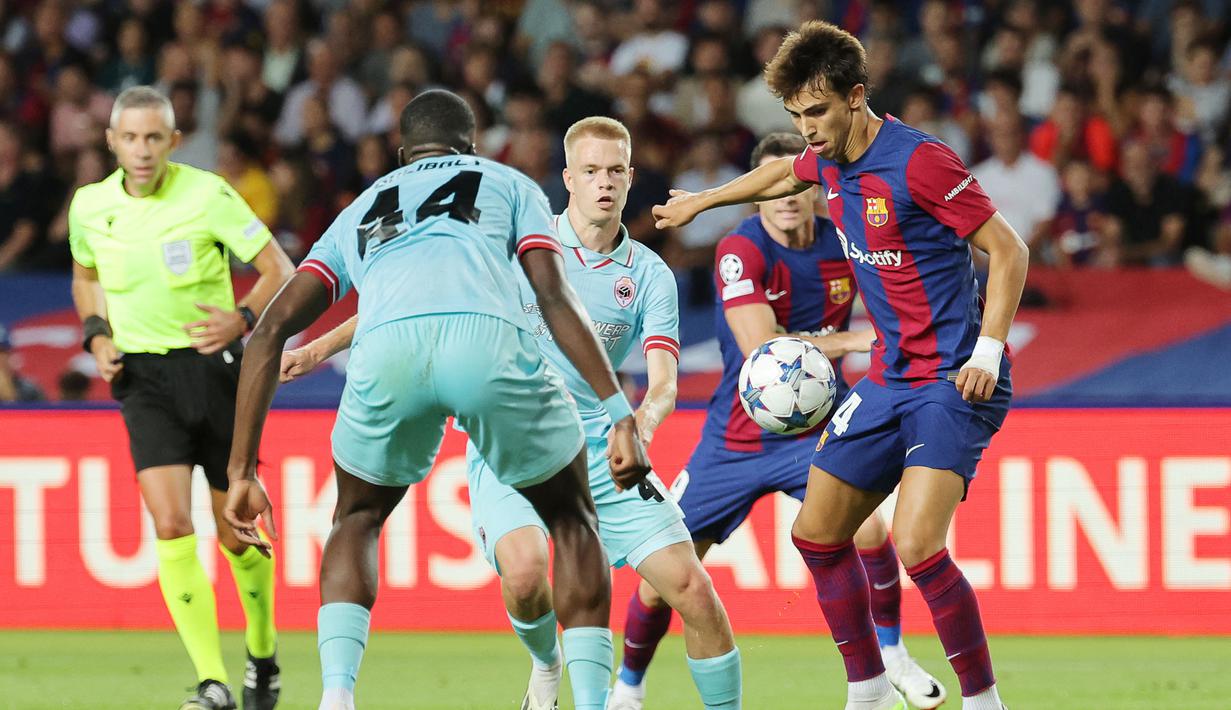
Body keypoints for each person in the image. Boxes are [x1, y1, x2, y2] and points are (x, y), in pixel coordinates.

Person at [283, 116, 741, 710]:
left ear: (631, 179)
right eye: (592, 171)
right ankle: (546, 665)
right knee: (525, 577)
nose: (605, 183)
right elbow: (413, 298)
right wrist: (319, 347)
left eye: (616, 172)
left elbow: (665, 383)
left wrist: (643, 426)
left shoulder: (650, 275)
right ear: (568, 179)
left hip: (605, 448)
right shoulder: (514, 243)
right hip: (510, 439)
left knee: (696, 593)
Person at [221, 90, 651, 710]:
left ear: (401, 155)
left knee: (357, 518)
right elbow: (555, 297)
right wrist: (619, 414)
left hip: (385, 348)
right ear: (471, 149)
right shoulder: (509, 184)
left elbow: (268, 335)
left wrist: (241, 471)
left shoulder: (361, 209)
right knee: (572, 519)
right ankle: (589, 701)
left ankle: (337, 697)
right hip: (487, 344)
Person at [651, 22, 1029, 710]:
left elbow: (1007, 252)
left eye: (817, 112)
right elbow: (778, 170)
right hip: (888, 378)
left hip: (951, 379)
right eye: (795, 115)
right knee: (816, 533)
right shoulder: (823, 157)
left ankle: (983, 703)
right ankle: (869, 690)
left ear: (856, 97)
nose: (807, 129)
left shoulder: (919, 161)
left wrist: (988, 349)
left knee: (916, 545)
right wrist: (703, 201)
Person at [613, 132, 946, 710]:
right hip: (736, 436)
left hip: (817, 426)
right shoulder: (740, 250)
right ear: (758, 195)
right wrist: (857, 338)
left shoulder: (843, 241)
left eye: (797, 186)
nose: (789, 198)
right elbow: (761, 346)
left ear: (812, 188)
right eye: (776, 188)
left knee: (867, 530)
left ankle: (892, 655)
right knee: (661, 577)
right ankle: (628, 686)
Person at [67, 85, 295, 710]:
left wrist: (241, 317)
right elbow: (86, 276)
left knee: (236, 533)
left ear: (172, 140)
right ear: (112, 141)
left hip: (215, 370)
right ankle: (212, 681)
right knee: (171, 524)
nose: (142, 151)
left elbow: (279, 267)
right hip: (143, 379)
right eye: (130, 138)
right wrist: (96, 333)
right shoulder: (89, 207)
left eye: (154, 138)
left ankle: (263, 654)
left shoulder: (208, 193)